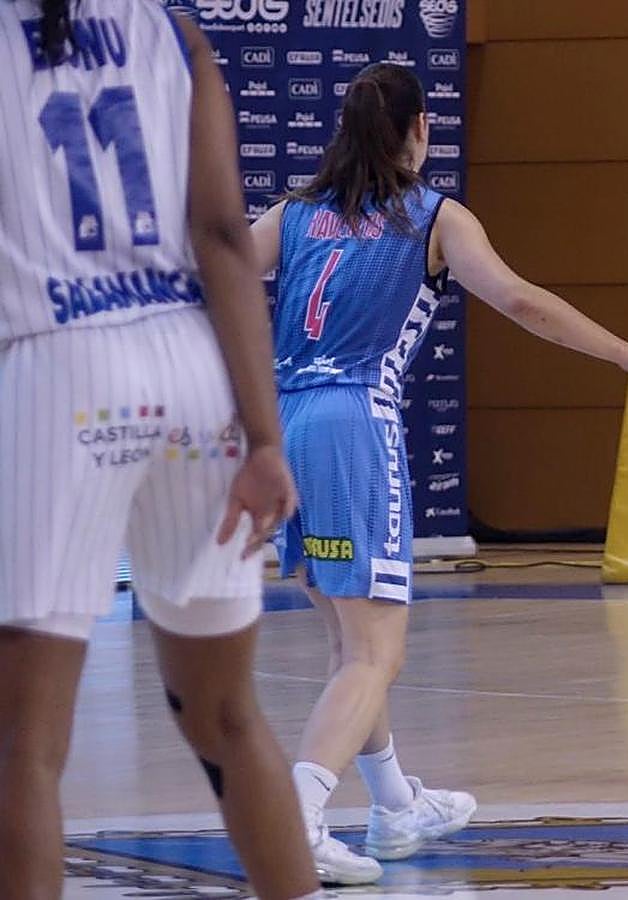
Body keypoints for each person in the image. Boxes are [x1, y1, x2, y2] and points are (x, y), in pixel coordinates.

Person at [250, 61, 628, 884]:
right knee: (374, 654)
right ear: (420, 129)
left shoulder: (293, 213)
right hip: (354, 421)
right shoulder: (433, 216)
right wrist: (625, 352)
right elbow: (521, 302)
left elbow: (212, 275)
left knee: (350, 642)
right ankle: (295, 818)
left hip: (286, 421)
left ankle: (395, 806)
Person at [0, 2, 324, 898]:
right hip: (193, 366)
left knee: (24, 745)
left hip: (55, 364)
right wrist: (265, 438)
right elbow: (222, 235)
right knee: (228, 716)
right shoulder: (175, 34)